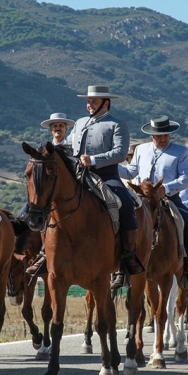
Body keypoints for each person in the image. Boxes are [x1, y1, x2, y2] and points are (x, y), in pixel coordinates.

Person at [69, 85, 144, 288]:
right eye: (88, 101)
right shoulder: (79, 123)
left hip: (106, 175)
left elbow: (120, 153)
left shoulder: (117, 124)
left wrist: (93, 160)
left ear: (106, 103)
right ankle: (43, 252)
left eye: (93, 101)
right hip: (78, 175)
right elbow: (69, 146)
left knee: (126, 204)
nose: (89, 105)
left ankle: (127, 255)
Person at [119, 116, 188, 288]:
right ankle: (121, 269)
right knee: (121, 222)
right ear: (152, 135)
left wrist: (166, 187)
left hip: (168, 198)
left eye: (165, 135)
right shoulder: (141, 149)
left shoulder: (180, 151)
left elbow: (186, 178)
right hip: (141, 198)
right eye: (159, 136)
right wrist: (111, 165)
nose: (163, 138)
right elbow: (130, 172)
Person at [24, 113, 76, 277]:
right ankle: (39, 253)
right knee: (24, 215)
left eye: (61, 125)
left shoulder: (73, 147)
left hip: (69, 191)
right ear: (51, 130)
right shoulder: (42, 151)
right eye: (55, 126)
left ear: (66, 129)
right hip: (46, 192)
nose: (58, 128)